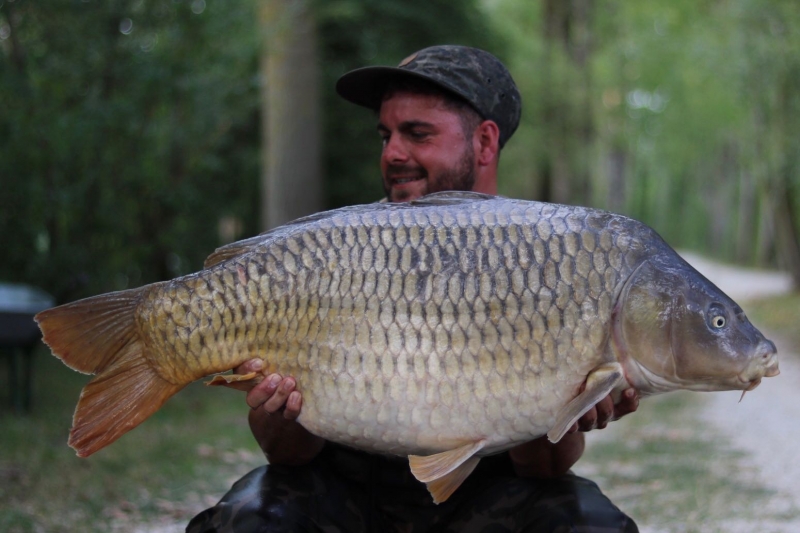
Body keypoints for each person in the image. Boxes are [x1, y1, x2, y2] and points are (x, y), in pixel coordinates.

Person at [187, 45, 640, 533]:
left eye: (416, 134)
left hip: (484, 503)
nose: (392, 154)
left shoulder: (548, 261)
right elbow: (285, 454)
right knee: (248, 518)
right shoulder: (331, 254)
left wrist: (576, 406)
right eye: (386, 135)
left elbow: (546, 468)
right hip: (348, 496)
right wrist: (280, 407)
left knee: (589, 523)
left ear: (485, 144)